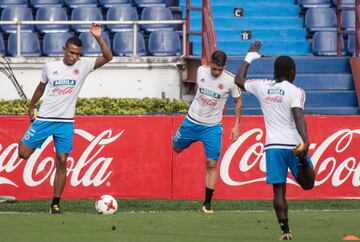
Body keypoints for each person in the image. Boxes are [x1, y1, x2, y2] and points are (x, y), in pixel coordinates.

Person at [17, 23, 113, 214]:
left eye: (77, 54)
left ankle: (55, 203)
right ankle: (30, 134)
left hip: (66, 123)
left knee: (62, 161)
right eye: (71, 53)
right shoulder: (50, 66)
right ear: (64, 50)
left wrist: (98, 37)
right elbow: (40, 87)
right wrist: (31, 105)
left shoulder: (83, 66)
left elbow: (109, 57)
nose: (74, 57)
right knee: (23, 153)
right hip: (44, 118)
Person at [234, 41, 315, 240]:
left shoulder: (263, 87)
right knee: (308, 184)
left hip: (273, 147)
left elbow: (238, 79)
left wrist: (249, 57)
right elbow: (298, 116)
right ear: (292, 71)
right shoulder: (296, 91)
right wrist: (306, 142)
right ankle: (303, 160)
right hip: (294, 144)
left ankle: (285, 231)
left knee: (278, 191)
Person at [173, 50, 242, 214]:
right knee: (176, 148)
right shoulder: (201, 71)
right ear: (210, 63)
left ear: (224, 67)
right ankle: (179, 138)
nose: (216, 72)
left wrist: (236, 124)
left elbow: (238, 101)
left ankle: (207, 204)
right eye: (214, 68)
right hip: (191, 121)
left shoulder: (231, 80)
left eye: (220, 69)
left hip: (212, 127)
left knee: (211, 163)